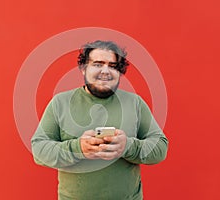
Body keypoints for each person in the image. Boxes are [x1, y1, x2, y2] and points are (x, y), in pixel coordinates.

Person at [31, 40, 168, 200]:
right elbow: (39, 151)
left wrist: (127, 147)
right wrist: (78, 148)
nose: (105, 71)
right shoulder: (60, 103)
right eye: (97, 64)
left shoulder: (134, 103)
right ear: (83, 68)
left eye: (113, 65)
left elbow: (160, 148)